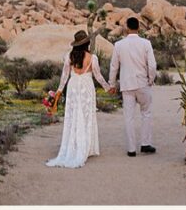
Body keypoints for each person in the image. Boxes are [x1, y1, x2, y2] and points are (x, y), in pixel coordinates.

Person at [45, 30, 110, 168]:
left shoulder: (69, 56)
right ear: (86, 43)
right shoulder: (93, 58)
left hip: (73, 86)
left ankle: (73, 145)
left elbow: (64, 76)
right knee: (87, 115)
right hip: (86, 86)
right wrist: (107, 87)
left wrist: (58, 92)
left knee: (73, 115)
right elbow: (98, 76)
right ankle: (87, 147)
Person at [108, 16, 159, 157]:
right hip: (143, 83)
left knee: (129, 117)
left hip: (127, 84)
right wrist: (151, 79)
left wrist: (112, 84)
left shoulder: (119, 45)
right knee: (146, 113)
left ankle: (131, 149)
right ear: (138, 27)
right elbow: (152, 65)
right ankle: (145, 144)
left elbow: (114, 66)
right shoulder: (146, 43)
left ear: (127, 28)